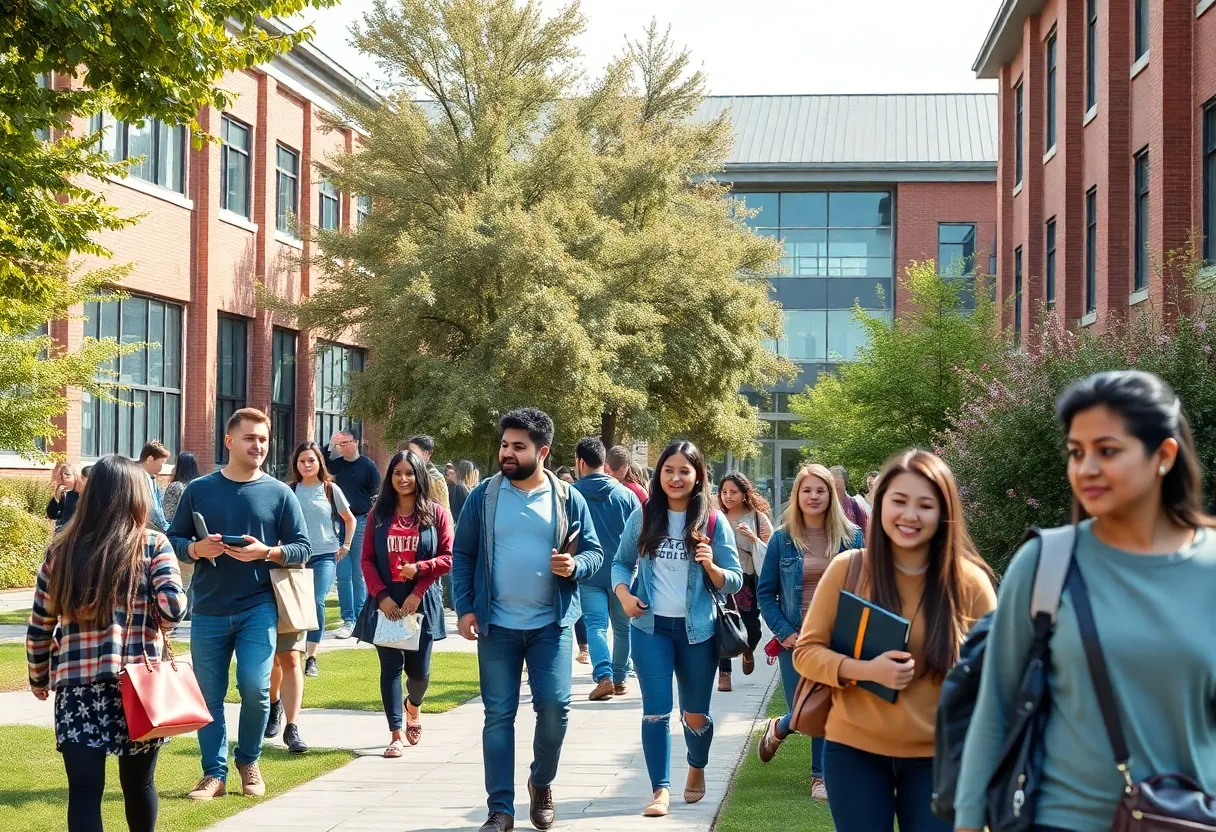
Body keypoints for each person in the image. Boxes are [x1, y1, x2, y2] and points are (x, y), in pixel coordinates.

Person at [956, 371, 1216, 832]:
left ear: (1163, 455)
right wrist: (968, 822)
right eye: (1076, 452)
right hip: (1061, 820)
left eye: (1107, 451)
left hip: (1190, 821)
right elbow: (995, 704)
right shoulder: (1045, 563)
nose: (1086, 468)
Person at [793, 450, 996, 832]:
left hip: (940, 758)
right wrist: (865, 670)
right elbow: (806, 653)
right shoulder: (849, 568)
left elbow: (997, 682)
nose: (910, 515)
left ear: (945, 512)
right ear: (881, 503)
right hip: (854, 752)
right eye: (899, 501)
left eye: (925, 505)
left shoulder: (969, 583)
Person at [451, 407, 604, 832]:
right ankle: (500, 810)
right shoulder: (484, 497)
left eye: (518, 447)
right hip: (497, 626)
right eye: (504, 444)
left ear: (542, 451)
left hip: (550, 626)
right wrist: (465, 607)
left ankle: (541, 781)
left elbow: (594, 552)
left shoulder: (567, 498)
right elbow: (463, 554)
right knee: (498, 715)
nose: (507, 453)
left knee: (555, 709)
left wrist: (575, 566)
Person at [26, 454, 185, 832]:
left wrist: (39, 677)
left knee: (84, 791)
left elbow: (40, 625)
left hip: (77, 686)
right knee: (139, 785)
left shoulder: (61, 549)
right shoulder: (152, 544)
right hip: (138, 686)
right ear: (136, 495)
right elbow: (173, 609)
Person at [167, 408, 311, 800]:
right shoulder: (200, 489)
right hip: (209, 608)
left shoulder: (280, 493)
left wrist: (268, 552)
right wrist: (196, 548)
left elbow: (303, 547)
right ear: (229, 441)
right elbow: (173, 538)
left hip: (258, 606)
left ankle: (248, 760)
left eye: (263, 439)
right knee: (209, 696)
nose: (258, 446)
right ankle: (213, 774)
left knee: (256, 688)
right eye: (250, 438)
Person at [612, 441, 743, 818]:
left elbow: (734, 579)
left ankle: (697, 765)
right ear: (659, 474)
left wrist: (713, 567)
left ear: (698, 476)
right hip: (650, 628)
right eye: (668, 470)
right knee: (655, 710)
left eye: (684, 470)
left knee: (695, 715)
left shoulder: (713, 521)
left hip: (697, 632)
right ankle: (660, 790)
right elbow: (621, 563)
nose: (675, 477)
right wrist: (624, 594)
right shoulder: (643, 515)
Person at [754, 464, 863, 799]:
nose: (814, 496)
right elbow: (765, 594)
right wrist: (784, 632)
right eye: (807, 491)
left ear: (831, 494)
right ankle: (782, 725)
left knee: (828, 704)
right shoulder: (782, 539)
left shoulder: (853, 537)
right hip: (795, 639)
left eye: (820, 490)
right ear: (797, 495)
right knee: (805, 710)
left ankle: (821, 777)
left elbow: (862, 590)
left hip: (837, 637)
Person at [354, 450, 454, 756]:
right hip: (387, 604)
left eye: (409, 473)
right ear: (390, 477)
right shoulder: (379, 515)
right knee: (390, 669)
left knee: (419, 674)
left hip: (421, 602)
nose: (403, 478)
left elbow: (447, 558)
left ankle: (414, 705)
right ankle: (395, 734)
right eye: (397, 473)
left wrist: (418, 576)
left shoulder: (436, 514)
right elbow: (367, 559)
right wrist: (381, 596)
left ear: (419, 476)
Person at [266, 442, 354, 755]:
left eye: (312, 460)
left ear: (319, 463)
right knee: (286, 630)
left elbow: (349, 518)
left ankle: (311, 655)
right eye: (302, 460)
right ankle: (274, 705)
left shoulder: (330, 490)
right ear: (296, 464)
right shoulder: (288, 490)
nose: (307, 465)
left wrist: (345, 545)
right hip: (292, 559)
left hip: (324, 555)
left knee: (316, 601)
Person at [572, 437, 641, 700]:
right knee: (623, 627)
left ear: (580, 462)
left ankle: (604, 675)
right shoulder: (627, 495)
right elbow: (639, 534)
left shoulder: (572, 494)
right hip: (622, 573)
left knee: (595, 625)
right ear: (604, 461)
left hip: (588, 571)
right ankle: (620, 678)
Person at [714, 472, 773, 694]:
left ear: (744, 493)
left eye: (733, 492)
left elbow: (770, 551)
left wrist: (752, 538)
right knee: (722, 624)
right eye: (724, 492)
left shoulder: (758, 518)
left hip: (747, 580)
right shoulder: (717, 517)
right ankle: (724, 673)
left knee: (752, 626)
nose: (728, 496)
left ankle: (748, 648)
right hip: (721, 578)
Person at [328, 429, 382, 639]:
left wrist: (371, 520)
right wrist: (330, 444)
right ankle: (348, 619)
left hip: (361, 521)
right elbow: (322, 463)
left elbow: (376, 495)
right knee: (342, 574)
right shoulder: (338, 465)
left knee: (359, 572)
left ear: (356, 442)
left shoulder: (368, 466)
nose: (342, 448)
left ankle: (360, 618)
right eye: (339, 444)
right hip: (339, 523)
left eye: (345, 443)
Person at [163, 452, 201, 618]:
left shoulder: (176, 487)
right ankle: (191, 609)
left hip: (180, 538)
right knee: (193, 577)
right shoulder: (199, 485)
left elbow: (168, 515)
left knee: (179, 578)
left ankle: (180, 610)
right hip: (198, 538)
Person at [406, 435, 452, 516]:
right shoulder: (409, 474)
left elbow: (444, 511)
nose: (409, 456)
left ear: (425, 454)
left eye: (412, 452)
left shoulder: (435, 478)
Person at [138, 441, 171, 532]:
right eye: (162, 462)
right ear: (150, 459)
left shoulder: (151, 478)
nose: (162, 467)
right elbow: (153, 511)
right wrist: (166, 528)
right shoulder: (139, 477)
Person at [828, 465, 869, 537]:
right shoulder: (826, 504)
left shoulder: (854, 504)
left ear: (845, 481)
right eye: (832, 477)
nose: (835, 480)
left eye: (838, 477)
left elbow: (863, 531)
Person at [46, 462, 80, 529]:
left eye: (62, 479)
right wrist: (56, 499)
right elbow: (52, 515)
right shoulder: (65, 493)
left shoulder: (81, 494)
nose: (59, 483)